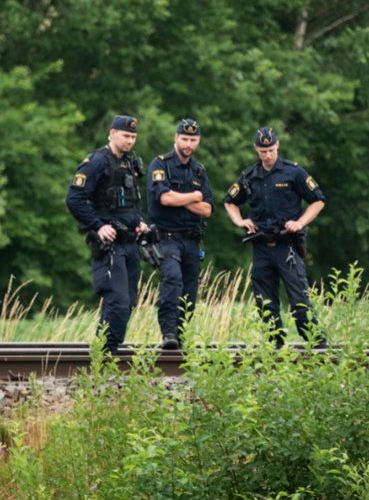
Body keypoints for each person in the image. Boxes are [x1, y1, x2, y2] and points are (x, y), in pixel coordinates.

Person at [223, 127, 326, 347]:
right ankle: (276, 346)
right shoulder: (249, 176)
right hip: (261, 246)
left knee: (299, 301)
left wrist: (300, 222)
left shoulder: (294, 172)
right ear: (256, 149)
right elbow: (229, 201)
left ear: (277, 146)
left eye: (270, 150)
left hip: (287, 246)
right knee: (265, 302)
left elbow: (318, 200)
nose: (267, 155)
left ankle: (318, 346)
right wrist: (240, 221)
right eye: (262, 151)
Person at [66, 115, 151, 355]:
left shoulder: (130, 163)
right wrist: (97, 225)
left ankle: (105, 350)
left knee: (128, 301)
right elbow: (74, 199)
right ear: (112, 133)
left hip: (130, 243)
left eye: (133, 137)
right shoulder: (96, 162)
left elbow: (132, 203)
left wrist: (140, 222)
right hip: (109, 245)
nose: (130, 141)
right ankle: (106, 353)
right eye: (126, 136)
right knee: (117, 300)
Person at [146, 118, 213, 349]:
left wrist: (180, 199)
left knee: (190, 290)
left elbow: (207, 209)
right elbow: (164, 198)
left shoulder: (199, 171)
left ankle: (180, 335)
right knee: (172, 279)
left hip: (192, 240)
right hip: (166, 239)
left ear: (198, 141)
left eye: (193, 140)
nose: (188, 144)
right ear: (176, 138)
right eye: (184, 139)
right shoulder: (160, 164)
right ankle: (168, 333)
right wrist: (194, 196)